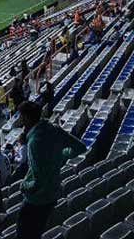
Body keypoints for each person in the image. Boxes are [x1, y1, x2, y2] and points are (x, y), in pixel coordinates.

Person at [15, 100, 87, 239]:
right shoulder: (54, 129)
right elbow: (80, 147)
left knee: (23, 233)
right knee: (37, 231)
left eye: (21, 116)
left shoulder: (34, 142)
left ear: (27, 118)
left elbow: (38, 180)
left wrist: (24, 186)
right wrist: (59, 155)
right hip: (52, 194)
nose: (19, 119)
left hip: (36, 199)